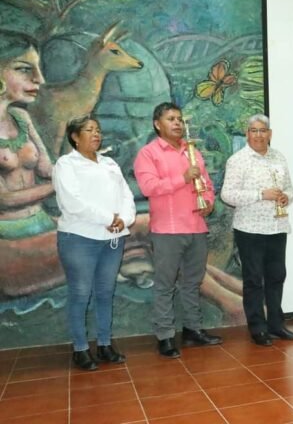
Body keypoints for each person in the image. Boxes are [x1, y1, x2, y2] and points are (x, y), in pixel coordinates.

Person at [134, 102, 221, 358]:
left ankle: (193, 330)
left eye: (179, 119)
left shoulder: (192, 152)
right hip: (167, 230)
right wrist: (183, 178)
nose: (177, 123)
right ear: (157, 124)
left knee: (193, 282)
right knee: (165, 284)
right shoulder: (148, 154)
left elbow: (206, 184)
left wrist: (208, 202)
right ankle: (165, 336)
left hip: (196, 226)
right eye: (171, 119)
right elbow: (148, 187)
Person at [54, 116, 135, 370]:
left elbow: (127, 196)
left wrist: (123, 219)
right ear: (75, 136)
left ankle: (104, 344)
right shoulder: (66, 164)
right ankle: (80, 348)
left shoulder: (109, 163)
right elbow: (72, 202)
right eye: (89, 130)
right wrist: (109, 218)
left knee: (105, 292)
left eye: (98, 130)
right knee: (80, 293)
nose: (96, 134)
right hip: (79, 238)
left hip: (112, 239)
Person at [220, 114, 293, 346]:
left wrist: (286, 197)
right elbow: (227, 194)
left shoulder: (278, 157)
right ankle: (257, 327)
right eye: (254, 131)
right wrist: (260, 195)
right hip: (250, 229)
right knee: (253, 280)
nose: (259, 135)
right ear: (247, 134)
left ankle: (276, 324)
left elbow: (289, 188)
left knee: (277, 276)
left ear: (270, 134)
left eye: (263, 130)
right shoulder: (238, 160)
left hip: (277, 226)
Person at [0, 30, 61, 298]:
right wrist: (59, 184)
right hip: (9, 237)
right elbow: (4, 200)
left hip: (42, 221)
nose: (40, 79)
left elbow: (47, 170)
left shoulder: (21, 117)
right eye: (25, 69)